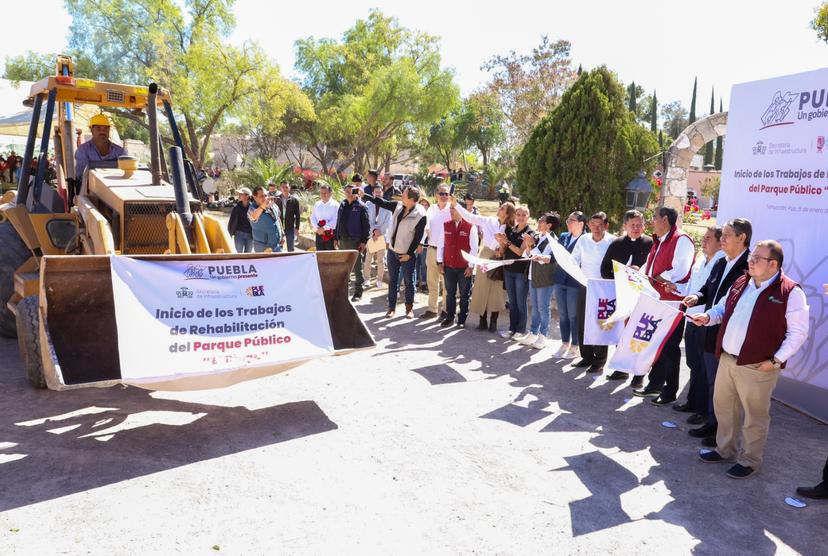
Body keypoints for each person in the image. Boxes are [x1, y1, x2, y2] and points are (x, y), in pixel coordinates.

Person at [691, 240, 809, 479]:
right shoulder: (742, 282)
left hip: (758, 366)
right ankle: (725, 450)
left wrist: (776, 360)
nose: (750, 261)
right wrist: (707, 316)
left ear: (773, 264)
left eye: (757, 258)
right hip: (727, 359)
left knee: (755, 416)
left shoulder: (790, 292)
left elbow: (798, 332)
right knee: (724, 408)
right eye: (751, 257)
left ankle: (749, 461)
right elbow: (722, 309)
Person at [682, 218, 751, 446]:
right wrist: (697, 297)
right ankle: (712, 423)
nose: (722, 239)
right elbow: (708, 289)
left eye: (727, 235)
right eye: (721, 236)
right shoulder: (722, 262)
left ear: (742, 238)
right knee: (712, 380)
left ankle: (722, 432)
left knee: (725, 389)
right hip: (709, 327)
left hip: (730, 336)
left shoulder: (749, 267)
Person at [633, 207, 696, 404]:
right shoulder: (660, 239)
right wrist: (640, 273)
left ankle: (669, 391)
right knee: (658, 344)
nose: (652, 221)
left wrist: (655, 277)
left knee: (669, 347)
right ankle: (654, 386)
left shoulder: (681, 239)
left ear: (665, 219)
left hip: (672, 302)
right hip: (656, 299)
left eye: (655, 218)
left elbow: (681, 270)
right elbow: (651, 266)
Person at [671, 226, 724, 423]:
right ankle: (692, 401)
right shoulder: (700, 261)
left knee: (704, 368)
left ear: (720, 242)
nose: (704, 241)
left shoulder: (721, 264)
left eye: (709, 238)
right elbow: (693, 289)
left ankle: (703, 410)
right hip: (691, 318)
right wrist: (677, 288)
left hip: (707, 321)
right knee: (693, 364)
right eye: (704, 237)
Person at [599, 210, 654, 382]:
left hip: (642, 298)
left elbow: (654, 270)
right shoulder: (617, 244)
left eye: (639, 225)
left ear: (644, 225)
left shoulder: (650, 243)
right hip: (621, 296)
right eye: (633, 225)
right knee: (622, 334)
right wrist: (622, 275)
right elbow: (604, 269)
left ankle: (639, 374)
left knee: (640, 334)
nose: (636, 228)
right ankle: (621, 369)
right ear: (625, 226)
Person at [451, 195, 515, 333]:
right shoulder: (488, 220)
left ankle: (493, 322)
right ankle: (482, 320)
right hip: (485, 256)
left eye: (503, 208)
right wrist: (456, 205)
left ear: (508, 213)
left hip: (499, 260)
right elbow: (469, 217)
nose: (500, 208)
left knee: (497, 290)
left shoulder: (510, 229)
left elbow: (511, 246)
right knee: (482, 287)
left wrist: (502, 247)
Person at [363, 187, 427, 318]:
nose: (401, 197)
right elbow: (381, 202)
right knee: (393, 281)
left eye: (404, 195)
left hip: (407, 254)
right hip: (392, 251)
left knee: (409, 282)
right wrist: (364, 195)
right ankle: (391, 308)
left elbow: (418, 237)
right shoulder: (398, 206)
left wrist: (408, 254)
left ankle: (409, 309)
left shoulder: (421, 215)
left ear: (411, 200)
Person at [572, 212, 615, 373]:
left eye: (600, 225)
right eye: (593, 224)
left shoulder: (612, 241)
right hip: (585, 285)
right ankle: (586, 356)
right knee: (583, 321)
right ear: (589, 225)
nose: (596, 228)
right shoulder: (583, 240)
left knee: (600, 325)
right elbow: (574, 259)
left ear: (606, 225)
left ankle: (599, 361)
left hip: (604, 289)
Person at [518, 212, 559, 349]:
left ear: (549, 225)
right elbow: (527, 255)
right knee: (535, 307)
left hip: (545, 278)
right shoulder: (537, 237)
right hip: (532, 275)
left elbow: (544, 259)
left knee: (543, 307)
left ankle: (543, 335)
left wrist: (532, 246)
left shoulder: (553, 240)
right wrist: (529, 245)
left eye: (542, 221)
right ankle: (533, 332)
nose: (538, 222)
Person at [437, 205, 478, 328]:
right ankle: (450, 317)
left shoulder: (470, 226)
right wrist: (439, 262)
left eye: (453, 209)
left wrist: (470, 266)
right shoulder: (446, 225)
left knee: (465, 295)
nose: (451, 212)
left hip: (464, 267)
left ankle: (462, 319)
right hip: (449, 266)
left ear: (461, 211)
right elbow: (441, 245)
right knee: (450, 293)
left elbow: (474, 248)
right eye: (450, 209)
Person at [553, 212, 586, 358]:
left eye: (571, 220)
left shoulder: (586, 239)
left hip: (575, 282)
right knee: (563, 314)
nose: (568, 222)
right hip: (560, 279)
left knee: (574, 315)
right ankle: (564, 343)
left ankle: (575, 346)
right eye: (568, 220)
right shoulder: (564, 236)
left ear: (581, 223)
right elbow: (556, 255)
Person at [498, 206, 533, 339]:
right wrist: (501, 242)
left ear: (528, 216)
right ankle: (512, 329)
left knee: (520, 302)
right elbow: (504, 250)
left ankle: (520, 330)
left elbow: (520, 252)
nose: (521, 217)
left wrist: (506, 242)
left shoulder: (529, 233)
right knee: (512, 302)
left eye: (524, 214)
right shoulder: (512, 230)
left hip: (520, 272)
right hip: (508, 270)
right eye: (518, 214)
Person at [335, 183, 370, 302]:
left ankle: (358, 292)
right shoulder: (343, 204)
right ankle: (342, 291)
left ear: (356, 192)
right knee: (343, 267)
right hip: (343, 240)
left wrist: (364, 241)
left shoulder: (361, 206)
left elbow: (367, 226)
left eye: (352, 190)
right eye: (347, 190)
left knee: (357, 267)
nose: (349, 192)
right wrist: (336, 237)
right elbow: (338, 222)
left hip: (355, 241)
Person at [422, 184, 452, 319]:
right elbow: (426, 222)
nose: (444, 196)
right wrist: (426, 230)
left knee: (446, 284)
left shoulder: (452, 210)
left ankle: (445, 310)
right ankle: (432, 309)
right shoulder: (432, 209)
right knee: (432, 282)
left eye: (446, 194)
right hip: (431, 249)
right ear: (436, 195)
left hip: (446, 252)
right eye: (441, 193)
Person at [74, 114, 127, 182]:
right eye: (98, 128)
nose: (102, 131)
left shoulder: (120, 151)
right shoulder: (83, 150)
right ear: (91, 130)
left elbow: (127, 172)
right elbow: (81, 176)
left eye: (105, 128)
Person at [363, 183, 392, 288]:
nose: (378, 194)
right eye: (376, 192)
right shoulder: (368, 204)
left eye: (380, 192)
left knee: (380, 260)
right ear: (373, 193)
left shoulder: (387, 205)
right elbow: (366, 220)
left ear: (382, 193)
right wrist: (373, 231)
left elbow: (388, 222)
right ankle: (366, 279)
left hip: (381, 236)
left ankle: (379, 280)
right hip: (371, 235)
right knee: (368, 258)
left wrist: (379, 232)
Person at [247, 185, 284, 252]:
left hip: (277, 245)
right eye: (261, 196)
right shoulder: (252, 209)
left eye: (266, 195)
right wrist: (263, 205)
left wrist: (282, 235)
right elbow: (253, 217)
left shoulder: (273, 205)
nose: (264, 198)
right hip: (263, 247)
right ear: (255, 197)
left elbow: (278, 219)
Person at [275, 180, 301, 252]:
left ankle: (291, 262)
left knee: (291, 247)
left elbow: (298, 215)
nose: (284, 188)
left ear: (289, 188)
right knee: (278, 247)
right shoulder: (276, 199)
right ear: (280, 188)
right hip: (278, 227)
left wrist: (297, 228)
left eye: (286, 187)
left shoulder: (294, 200)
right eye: (283, 187)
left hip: (289, 227)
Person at [311, 184, 338, 251]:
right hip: (319, 234)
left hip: (330, 234)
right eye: (321, 193)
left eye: (325, 193)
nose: (323, 195)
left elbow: (336, 220)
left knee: (330, 257)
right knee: (320, 256)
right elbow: (313, 218)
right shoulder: (317, 204)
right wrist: (317, 228)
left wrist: (324, 228)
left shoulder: (335, 205)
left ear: (330, 193)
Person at [228, 187, 254, 253]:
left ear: (247, 196)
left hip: (250, 235)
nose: (239, 195)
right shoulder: (236, 208)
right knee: (239, 254)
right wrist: (229, 234)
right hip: (239, 234)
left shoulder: (253, 208)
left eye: (241, 194)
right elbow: (231, 222)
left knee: (248, 255)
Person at [415, 198, 431, 292]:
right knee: (416, 263)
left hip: (425, 244)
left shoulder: (430, 216)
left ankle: (424, 282)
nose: (424, 206)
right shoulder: (416, 215)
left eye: (426, 205)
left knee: (424, 264)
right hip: (415, 244)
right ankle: (416, 281)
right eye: (422, 204)